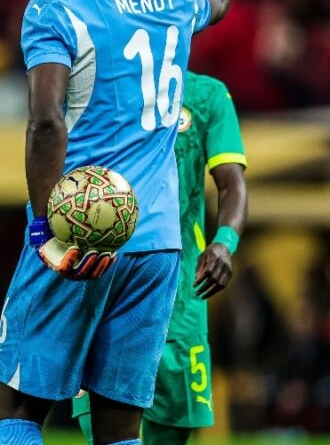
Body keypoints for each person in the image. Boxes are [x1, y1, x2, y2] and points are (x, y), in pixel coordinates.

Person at [0, 0, 258, 445]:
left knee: (17, 401)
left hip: (82, 226)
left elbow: (46, 122)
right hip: (158, 243)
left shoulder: (54, 7)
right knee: (120, 422)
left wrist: (46, 229)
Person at [73, 71, 248, 444]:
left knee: (172, 435)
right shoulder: (104, 82)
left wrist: (224, 241)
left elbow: (232, 183)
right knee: (104, 433)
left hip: (182, 297)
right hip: (108, 288)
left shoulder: (206, 95)